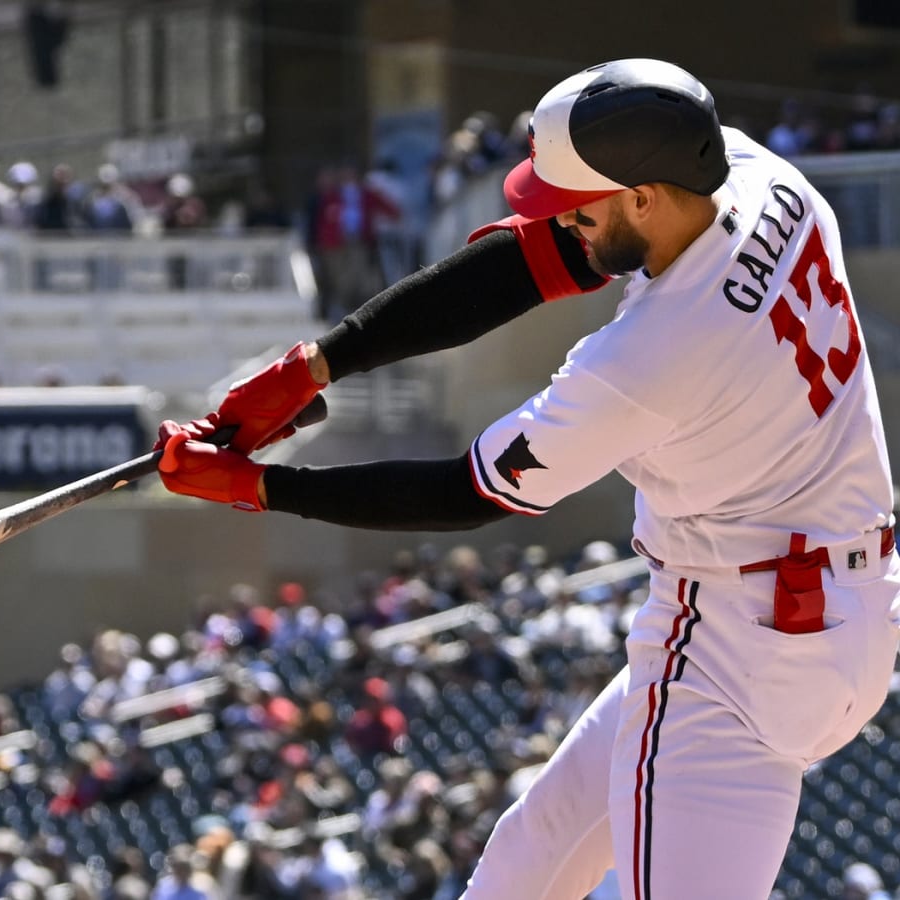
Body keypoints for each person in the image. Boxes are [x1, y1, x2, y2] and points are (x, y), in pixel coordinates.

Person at [153, 58, 900, 899]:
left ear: (643, 196)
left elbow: (465, 496)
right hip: (854, 619)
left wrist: (264, 489)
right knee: (525, 864)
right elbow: (526, 263)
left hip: (730, 650)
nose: (562, 221)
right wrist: (320, 363)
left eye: (578, 204)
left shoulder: (645, 360)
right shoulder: (767, 180)